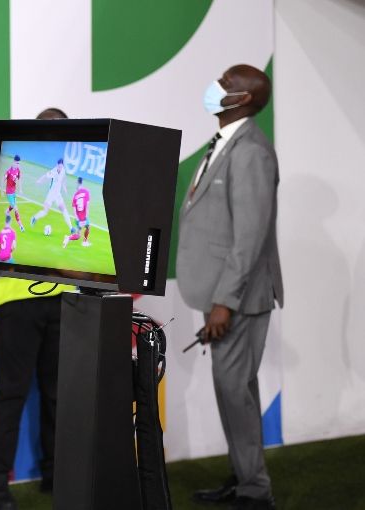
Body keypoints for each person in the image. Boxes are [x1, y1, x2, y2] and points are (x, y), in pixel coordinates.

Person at [177, 64, 283, 510]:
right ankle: (245, 477)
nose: (215, 86)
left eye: (225, 82)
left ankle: (255, 491)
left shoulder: (252, 151)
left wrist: (225, 302)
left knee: (234, 391)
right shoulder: (226, 143)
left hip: (236, 298)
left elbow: (250, 236)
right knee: (236, 390)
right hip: (222, 292)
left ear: (240, 100)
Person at [0, 107, 75, 510]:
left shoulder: (66, 175)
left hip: (66, 298)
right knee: (12, 393)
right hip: (17, 299)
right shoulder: (3, 172)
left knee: (59, 394)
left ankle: (58, 474)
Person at [29, 158, 73, 233]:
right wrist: (39, 181)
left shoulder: (63, 170)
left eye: (61, 166)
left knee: (64, 209)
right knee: (45, 211)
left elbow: (64, 178)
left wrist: (64, 187)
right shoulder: (53, 171)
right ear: (57, 165)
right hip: (51, 194)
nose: (60, 168)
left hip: (58, 195)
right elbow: (45, 176)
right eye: (59, 166)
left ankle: (71, 228)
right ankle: (34, 218)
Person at [62, 177, 91, 248]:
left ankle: (83, 241)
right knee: (81, 233)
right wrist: (86, 216)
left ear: (77, 183)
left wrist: (77, 218)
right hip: (83, 216)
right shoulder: (86, 192)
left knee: (86, 228)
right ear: (82, 182)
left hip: (78, 217)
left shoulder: (75, 195)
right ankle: (69, 238)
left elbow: (74, 208)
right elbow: (87, 205)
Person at [2, 155, 26, 231]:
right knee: (16, 208)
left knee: (12, 206)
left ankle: (6, 212)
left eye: (19, 163)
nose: (18, 164)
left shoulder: (18, 170)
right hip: (9, 192)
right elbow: (3, 180)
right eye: (17, 163)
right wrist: (2, 190)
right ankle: (21, 226)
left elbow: (19, 179)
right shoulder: (8, 171)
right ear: (14, 162)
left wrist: (20, 189)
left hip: (13, 192)